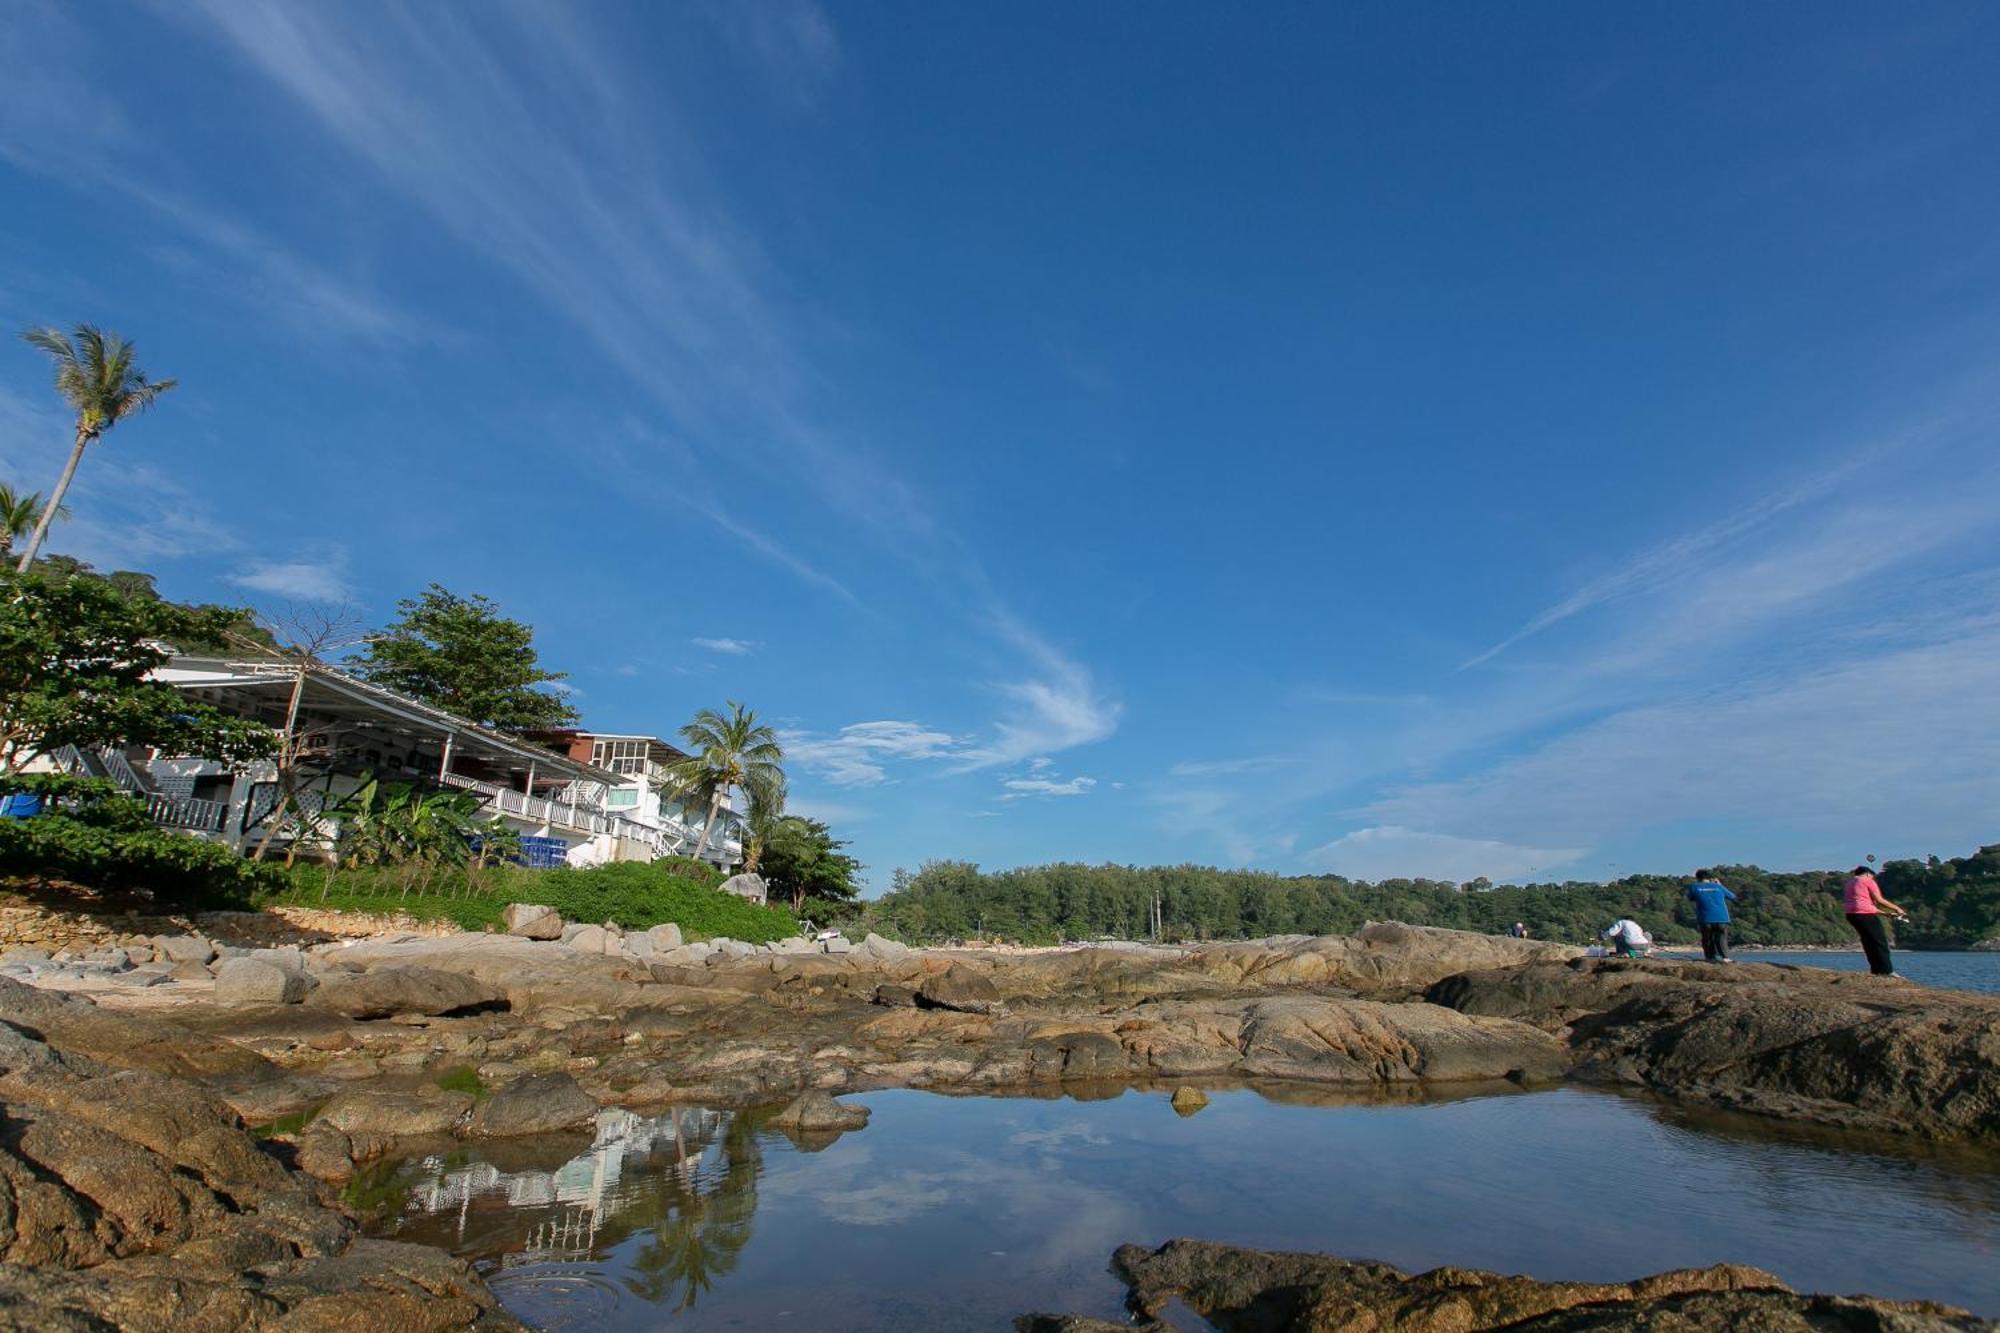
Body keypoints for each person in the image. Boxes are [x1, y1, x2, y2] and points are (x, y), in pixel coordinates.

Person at [1842, 865, 1909, 977]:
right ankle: (1887, 971)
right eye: (1872, 877)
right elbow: (1879, 900)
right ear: (1868, 874)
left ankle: (1876, 970)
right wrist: (1897, 908)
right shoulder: (1867, 881)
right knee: (1880, 942)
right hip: (1865, 915)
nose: (1873, 879)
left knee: (1868, 942)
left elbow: (1862, 905)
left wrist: (1886, 914)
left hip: (1851, 915)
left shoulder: (1850, 883)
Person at [1685, 869, 1737, 963]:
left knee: (1707, 939)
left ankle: (1710, 957)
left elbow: (1690, 898)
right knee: (1721, 938)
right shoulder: (1718, 886)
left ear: (1697, 878)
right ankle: (1725, 958)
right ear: (1709, 878)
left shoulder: (1694, 886)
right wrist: (1719, 885)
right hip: (1722, 918)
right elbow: (1733, 897)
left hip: (1705, 918)